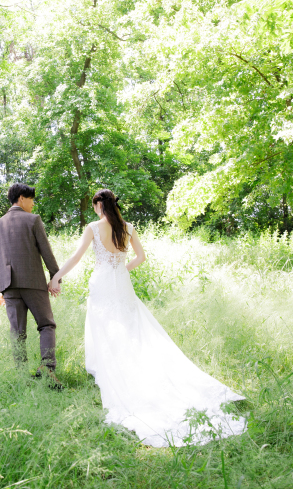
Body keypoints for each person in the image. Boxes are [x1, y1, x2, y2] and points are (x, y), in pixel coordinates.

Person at [48, 189, 247, 446]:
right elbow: (141, 258)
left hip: (102, 284)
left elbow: (76, 257)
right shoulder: (127, 227)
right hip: (121, 283)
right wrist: (121, 269)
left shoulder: (93, 228)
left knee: (105, 326)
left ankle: (112, 369)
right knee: (130, 327)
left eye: (95, 205)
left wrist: (56, 277)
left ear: (99, 205)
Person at [0, 183, 63, 388]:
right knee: (46, 325)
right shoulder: (33, 220)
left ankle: (22, 377)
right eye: (31, 200)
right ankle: (48, 370)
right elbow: (45, 251)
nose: (33, 204)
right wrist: (55, 277)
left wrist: (0, 287)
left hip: (9, 286)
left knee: (17, 332)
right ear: (22, 198)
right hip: (33, 282)